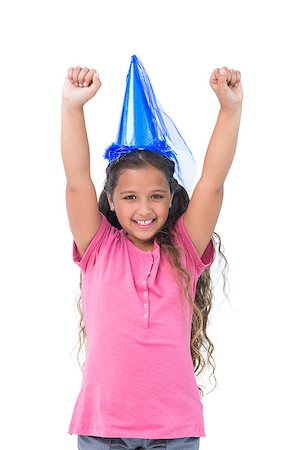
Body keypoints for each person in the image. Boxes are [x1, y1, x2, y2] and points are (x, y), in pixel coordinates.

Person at [61, 56, 243, 450]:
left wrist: (230, 109)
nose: (144, 209)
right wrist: (72, 107)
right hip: (102, 427)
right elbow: (77, 182)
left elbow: (212, 183)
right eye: (130, 197)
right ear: (110, 199)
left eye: (156, 196)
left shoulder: (184, 249)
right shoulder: (99, 249)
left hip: (173, 429)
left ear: (171, 198)